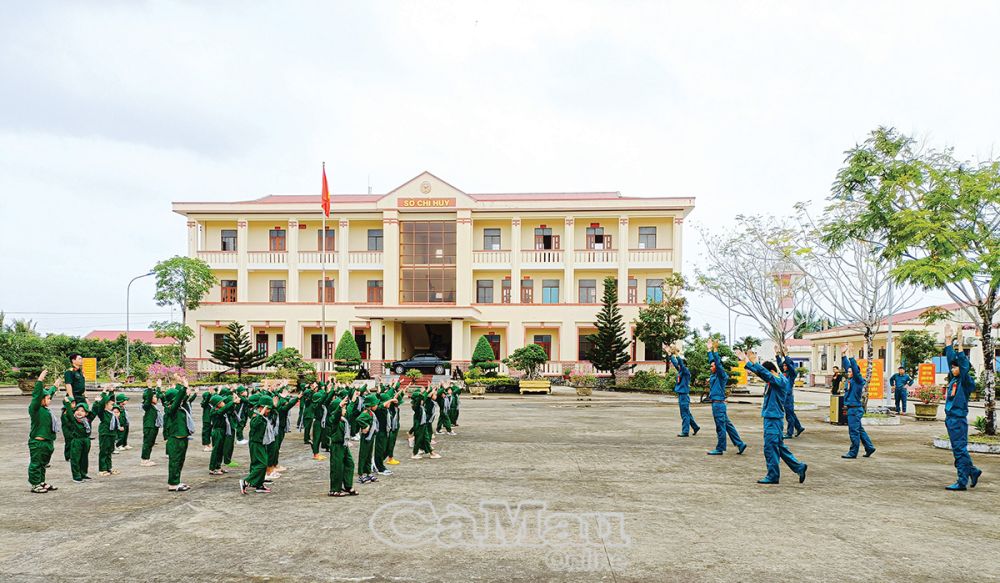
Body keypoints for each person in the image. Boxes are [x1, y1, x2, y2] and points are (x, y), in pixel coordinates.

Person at [737, 348, 807, 485]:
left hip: (774, 419)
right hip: (772, 418)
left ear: (772, 371)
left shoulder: (780, 381)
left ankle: (773, 475)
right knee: (778, 447)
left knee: (770, 447)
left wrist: (754, 362)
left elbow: (766, 375)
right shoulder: (774, 380)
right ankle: (798, 467)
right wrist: (746, 361)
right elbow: (764, 375)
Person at [942, 325, 984, 491]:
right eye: (952, 368)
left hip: (958, 419)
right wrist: (948, 340)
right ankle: (973, 471)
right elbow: (951, 359)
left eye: (956, 367)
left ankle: (961, 481)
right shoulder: (954, 379)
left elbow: (963, 364)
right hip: (950, 419)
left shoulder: (965, 381)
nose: (953, 369)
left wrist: (960, 345)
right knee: (958, 449)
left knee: (959, 450)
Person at [705, 341, 746, 456]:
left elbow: (717, 363)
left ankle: (720, 448)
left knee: (720, 427)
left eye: (713, 366)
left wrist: (715, 350)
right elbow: (713, 362)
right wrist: (709, 350)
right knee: (727, 425)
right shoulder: (715, 375)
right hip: (718, 404)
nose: (711, 366)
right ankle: (740, 444)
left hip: (718, 404)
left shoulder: (721, 375)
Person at [840, 346, 876, 459]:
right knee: (859, 430)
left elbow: (854, 369)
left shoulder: (859, 380)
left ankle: (853, 452)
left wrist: (851, 357)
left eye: (851, 372)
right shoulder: (850, 380)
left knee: (853, 431)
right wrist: (843, 355)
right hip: (852, 409)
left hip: (855, 409)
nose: (848, 372)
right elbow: (848, 367)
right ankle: (869, 447)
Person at [27, 370, 59, 493]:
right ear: (41, 399)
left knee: (43, 464)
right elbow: (37, 395)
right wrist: (40, 380)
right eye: (47, 398)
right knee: (36, 463)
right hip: (38, 442)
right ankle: (35, 484)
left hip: (48, 442)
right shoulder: (35, 409)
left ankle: (41, 481)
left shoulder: (46, 409)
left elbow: (49, 393)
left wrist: (55, 387)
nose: (50, 400)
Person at [164, 376, 195, 492]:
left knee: (180, 461)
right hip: (175, 439)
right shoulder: (171, 408)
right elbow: (178, 399)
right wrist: (184, 386)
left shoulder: (179, 407)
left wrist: (186, 390)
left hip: (182, 438)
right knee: (175, 461)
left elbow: (183, 398)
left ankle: (176, 481)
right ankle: (172, 484)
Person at [239, 394, 274, 494]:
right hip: (256, 443)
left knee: (260, 463)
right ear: (262, 407)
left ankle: (259, 485)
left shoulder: (262, 415)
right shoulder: (256, 415)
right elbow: (254, 425)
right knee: (262, 464)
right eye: (268, 409)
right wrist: (261, 413)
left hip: (261, 442)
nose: (269, 411)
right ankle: (246, 481)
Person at [327, 396, 357, 496]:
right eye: (343, 408)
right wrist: (339, 406)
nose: (345, 410)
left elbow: (349, 410)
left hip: (343, 445)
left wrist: (352, 401)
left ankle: (348, 486)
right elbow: (335, 416)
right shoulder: (333, 419)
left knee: (350, 464)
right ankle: (335, 489)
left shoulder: (343, 419)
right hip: (337, 446)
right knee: (337, 467)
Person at [668, 346, 700, 437]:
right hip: (682, 394)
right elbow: (675, 364)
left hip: (684, 395)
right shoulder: (681, 371)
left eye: (680, 365)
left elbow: (680, 364)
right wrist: (670, 355)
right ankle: (695, 427)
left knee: (684, 414)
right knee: (687, 413)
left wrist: (677, 355)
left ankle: (685, 431)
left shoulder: (685, 371)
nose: (678, 366)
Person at [64, 397, 97, 483]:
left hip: (86, 440)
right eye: (77, 410)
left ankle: (83, 473)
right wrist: (67, 403)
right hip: (77, 441)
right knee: (75, 458)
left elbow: (94, 412)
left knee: (84, 458)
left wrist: (97, 402)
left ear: (86, 413)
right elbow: (69, 413)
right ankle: (76, 476)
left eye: (82, 411)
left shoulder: (87, 420)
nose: (79, 412)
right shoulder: (74, 420)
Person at [93, 389, 120, 477]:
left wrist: (112, 392)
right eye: (111, 404)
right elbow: (101, 404)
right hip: (105, 434)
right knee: (104, 451)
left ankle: (109, 467)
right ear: (105, 405)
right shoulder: (103, 413)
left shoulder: (112, 413)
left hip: (111, 434)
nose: (113, 405)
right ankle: (102, 469)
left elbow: (112, 400)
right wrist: (104, 392)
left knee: (109, 451)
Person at [778, 354, 804, 438]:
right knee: (791, 413)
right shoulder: (784, 373)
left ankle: (790, 433)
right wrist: (777, 355)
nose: (784, 367)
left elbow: (789, 364)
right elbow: (780, 365)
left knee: (789, 415)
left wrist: (785, 355)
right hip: (785, 395)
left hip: (788, 396)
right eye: (784, 365)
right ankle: (799, 427)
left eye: (786, 365)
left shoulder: (792, 374)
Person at [356, 394, 381, 484]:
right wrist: (365, 426)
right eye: (375, 404)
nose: (377, 406)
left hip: (371, 436)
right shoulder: (365, 413)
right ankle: (360, 475)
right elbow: (358, 419)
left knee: (369, 455)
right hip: (366, 437)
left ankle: (368, 473)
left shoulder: (371, 413)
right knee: (363, 455)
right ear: (370, 405)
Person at [139, 380, 162, 467]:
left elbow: (159, 396)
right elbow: (148, 398)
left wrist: (158, 386)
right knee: (147, 442)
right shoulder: (147, 405)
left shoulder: (154, 406)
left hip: (154, 426)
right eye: (154, 397)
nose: (156, 398)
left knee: (151, 443)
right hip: (149, 426)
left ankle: (147, 458)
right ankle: (144, 459)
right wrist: (149, 389)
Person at [200, 386, 217, 452]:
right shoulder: (205, 403)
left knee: (213, 432)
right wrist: (209, 394)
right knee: (206, 432)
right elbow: (206, 402)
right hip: (207, 420)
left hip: (213, 419)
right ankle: (206, 445)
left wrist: (215, 392)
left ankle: (211, 445)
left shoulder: (213, 403)